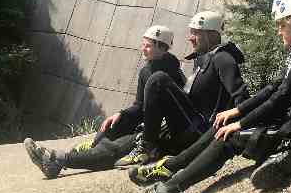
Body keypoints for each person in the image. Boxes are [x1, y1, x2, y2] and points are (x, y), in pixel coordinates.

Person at [129, 0, 291, 193]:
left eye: (281, 25)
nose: (278, 31)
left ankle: (165, 192)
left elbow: (281, 97)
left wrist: (240, 123)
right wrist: (236, 112)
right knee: (228, 124)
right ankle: (288, 156)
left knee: (230, 137)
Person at [24, 25, 186, 178]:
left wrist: (147, 134)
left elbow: (173, 111)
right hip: (145, 122)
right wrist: (120, 114)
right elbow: (140, 105)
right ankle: (93, 147)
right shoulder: (146, 70)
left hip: (158, 131)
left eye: (148, 46)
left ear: (163, 48)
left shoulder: (172, 74)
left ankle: (57, 160)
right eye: (143, 44)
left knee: (115, 148)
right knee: (113, 125)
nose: (143, 49)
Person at [118, 11, 249, 169]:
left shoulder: (223, 58)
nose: (190, 38)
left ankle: (147, 148)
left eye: (195, 33)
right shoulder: (202, 58)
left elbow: (242, 97)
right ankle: (148, 145)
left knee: (158, 79)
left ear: (211, 35)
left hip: (200, 132)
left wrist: (238, 127)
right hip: (190, 125)